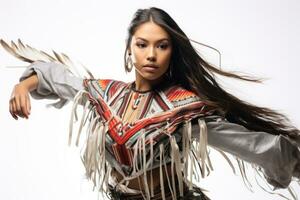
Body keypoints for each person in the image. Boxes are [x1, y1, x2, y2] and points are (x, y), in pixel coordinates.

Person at [4, 7, 300, 200]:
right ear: (129, 48)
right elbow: (55, 76)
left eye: (162, 45)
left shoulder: (185, 109)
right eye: (142, 44)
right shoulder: (105, 94)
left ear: (173, 51)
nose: (151, 55)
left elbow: (260, 147)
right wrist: (23, 85)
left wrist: (292, 162)